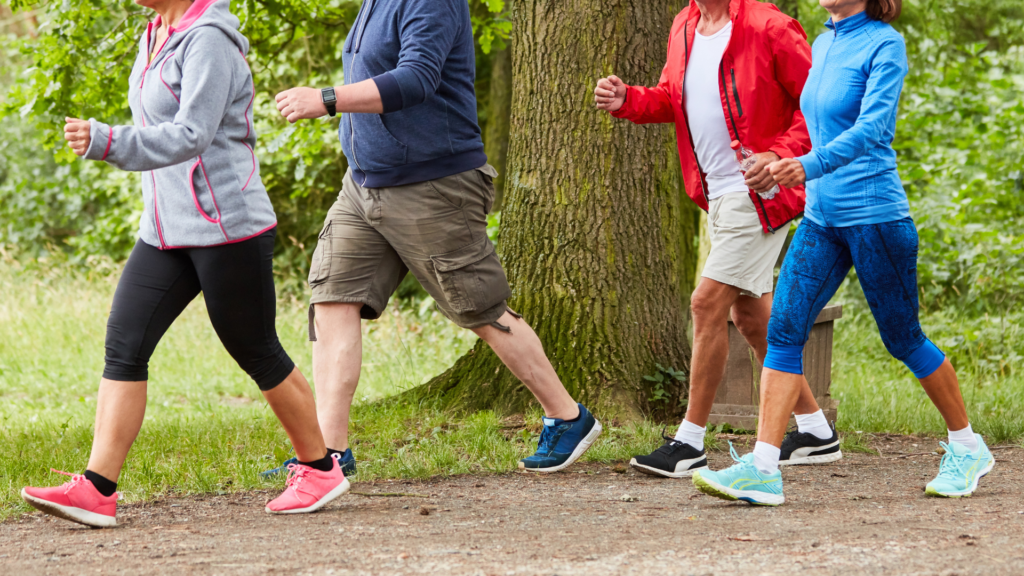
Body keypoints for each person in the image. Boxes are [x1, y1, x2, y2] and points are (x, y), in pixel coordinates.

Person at [21, 0, 349, 527]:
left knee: (256, 349)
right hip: (164, 229)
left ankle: (319, 469)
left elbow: (192, 132)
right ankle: (97, 489)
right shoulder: (156, 32)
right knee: (125, 344)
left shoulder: (209, 40)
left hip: (226, 226)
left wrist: (108, 140)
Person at [265, 0, 601, 476]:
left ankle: (567, 416)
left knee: (480, 308)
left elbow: (415, 79)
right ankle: (328, 456)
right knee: (332, 298)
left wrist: (328, 98)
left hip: (433, 185)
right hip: (362, 186)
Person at [694, 0, 994, 506]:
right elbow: (814, 126)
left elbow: (873, 128)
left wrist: (807, 165)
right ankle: (763, 469)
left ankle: (968, 447)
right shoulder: (823, 40)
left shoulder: (884, 44)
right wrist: (780, 161)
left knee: (903, 338)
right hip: (821, 219)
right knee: (783, 331)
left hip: (876, 217)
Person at [595, 0, 842, 479]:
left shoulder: (771, 27)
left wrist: (777, 154)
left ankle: (689, 442)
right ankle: (815, 430)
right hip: (717, 195)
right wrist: (628, 99)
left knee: (706, 303)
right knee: (750, 317)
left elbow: (819, 109)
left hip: (761, 193)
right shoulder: (685, 25)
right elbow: (673, 99)